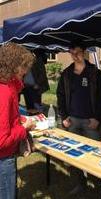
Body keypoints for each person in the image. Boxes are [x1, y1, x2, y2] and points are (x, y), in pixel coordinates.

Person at [56, 41, 101, 197]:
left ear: (84, 52)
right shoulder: (66, 74)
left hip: (90, 122)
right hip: (72, 121)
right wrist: (64, 116)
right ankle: (80, 184)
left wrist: (97, 118)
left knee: (95, 154)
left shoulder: (94, 73)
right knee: (74, 154)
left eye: (77, 52)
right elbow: (60, 96)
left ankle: (99, 185)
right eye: (71, 53)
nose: (75, 56)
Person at [0, 43, 36, 199]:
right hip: (3, 159)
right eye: (23, 66)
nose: (26, 70)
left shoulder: (8, 87)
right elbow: (2, 140)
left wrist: (18, 119)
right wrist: (24, 128)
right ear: (14, 66)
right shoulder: (5, 92)